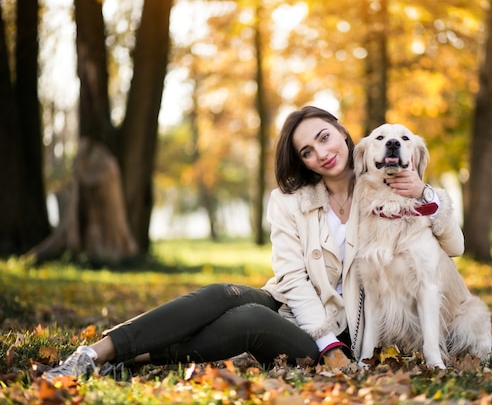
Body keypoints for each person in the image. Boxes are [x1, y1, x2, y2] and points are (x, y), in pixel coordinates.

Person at [43, 106, 464, 381]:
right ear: (301, 162)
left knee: (247, 321)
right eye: (306, 151)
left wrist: (424, 193)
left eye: (323, 137)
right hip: (297, 308)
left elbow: (454, 245)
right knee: (219, 294)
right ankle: (94, 354)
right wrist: (322, 337)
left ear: (342, 133)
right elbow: (292, 276)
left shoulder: (386, 184)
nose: (320, 153)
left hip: (346, 330)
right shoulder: (288, 202)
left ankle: (138, 356)